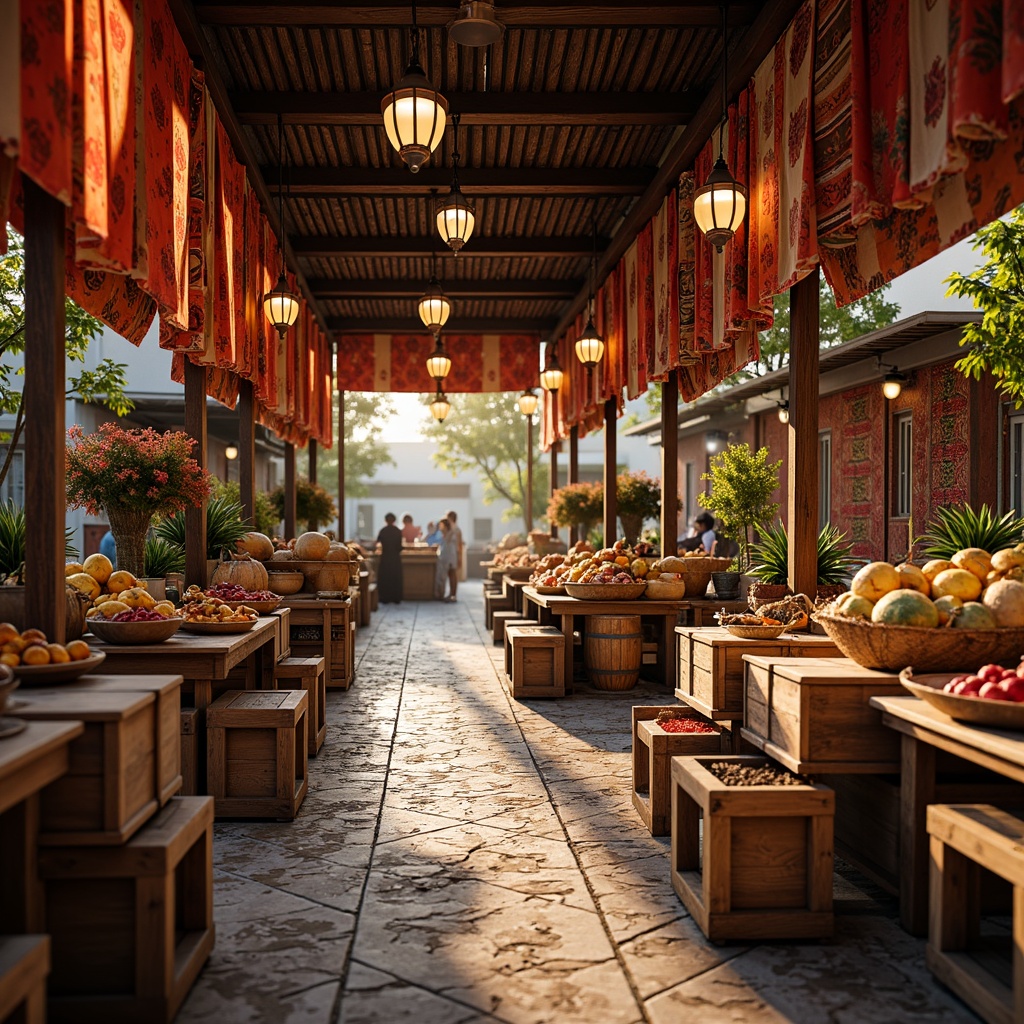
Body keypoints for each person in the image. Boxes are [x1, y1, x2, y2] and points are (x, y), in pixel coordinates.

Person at [375, 513, 404, 604]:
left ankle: (385, 598)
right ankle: (396, 598)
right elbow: (399, 546)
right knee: (395, 578)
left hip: (385, 557)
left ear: (386, 520)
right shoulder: (397, 531)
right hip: (395, 558)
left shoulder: (383, 531)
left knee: (385, 578)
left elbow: (377, 543)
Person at [435, 518, 459, 601]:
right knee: (444, 576)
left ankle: (453, 595)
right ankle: (445, 594)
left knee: (452, 575)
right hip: (444, 557)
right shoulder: (443, 534)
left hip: (450, 557)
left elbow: (454, 546)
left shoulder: (451, 533)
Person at [445, 509, 464, 579]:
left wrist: (460, 558)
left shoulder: (457, 530)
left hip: (453, 554)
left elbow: (460, 544)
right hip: (447, 553)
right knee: (449, 574)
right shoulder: (447, 529)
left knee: (453, 574)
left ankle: (453, 590)